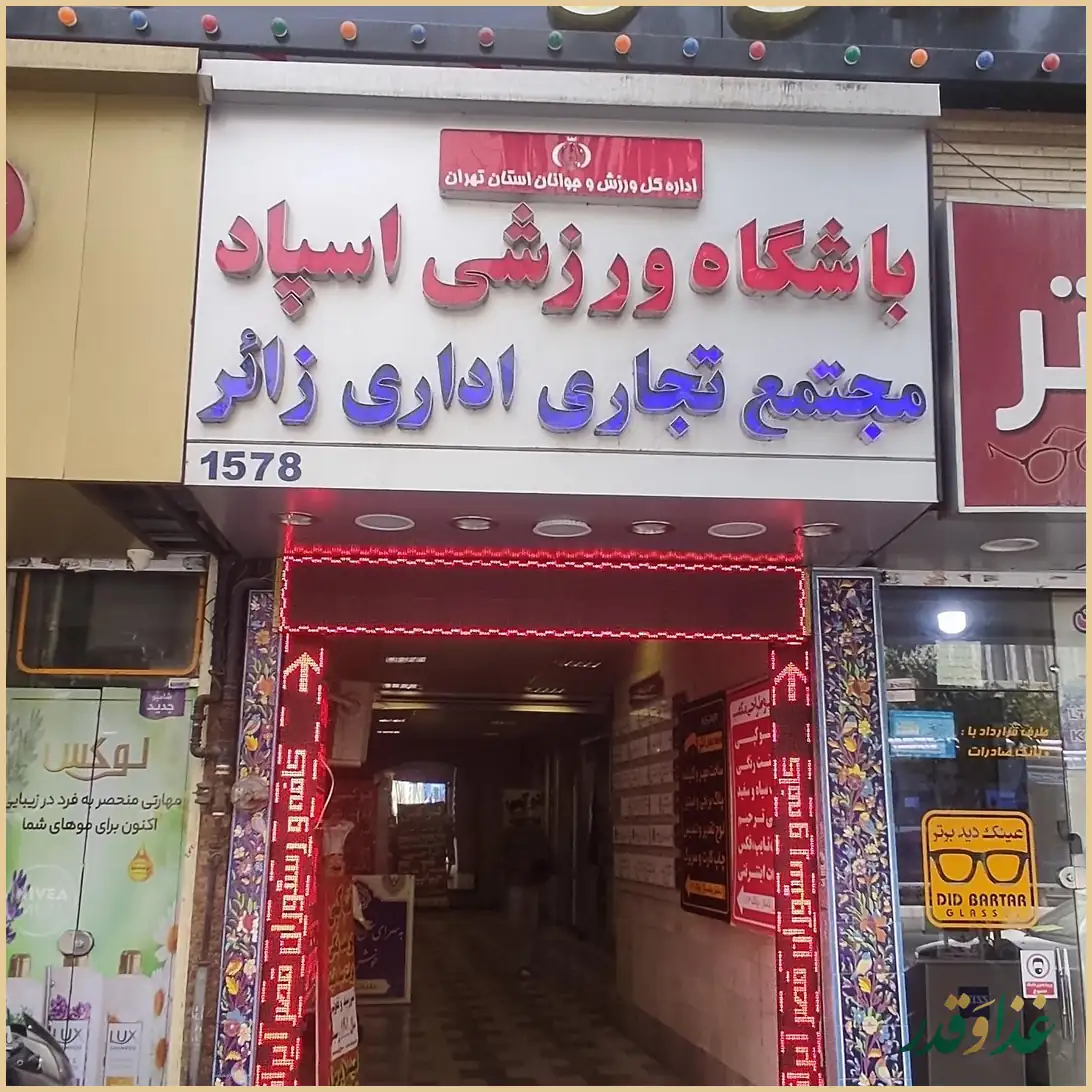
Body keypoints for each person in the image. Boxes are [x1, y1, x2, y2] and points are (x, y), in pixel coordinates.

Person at [500, 810, 554, 978]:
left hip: (517, 883)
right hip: (531, 883)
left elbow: (501, 858)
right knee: (529, 925)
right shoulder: (536, 833)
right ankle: (525, 962)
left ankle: (519, 962)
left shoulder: (509, 834)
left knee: (517, 925)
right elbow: (547, 856)